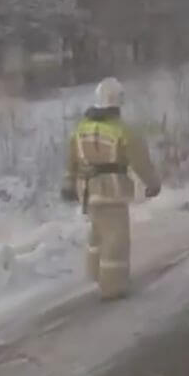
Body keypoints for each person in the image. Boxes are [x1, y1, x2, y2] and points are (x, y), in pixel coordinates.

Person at [61, 77, 162, 300]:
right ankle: (112, 285)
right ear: (118, 102)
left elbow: (72, 160)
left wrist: (68, 185)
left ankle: (95, 272)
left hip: (87, 191)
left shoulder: (81, 129)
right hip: (112, 192)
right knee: (116, 238)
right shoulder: (123, 131)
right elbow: (140, 162)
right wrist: (153, 184)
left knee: (98, 232)